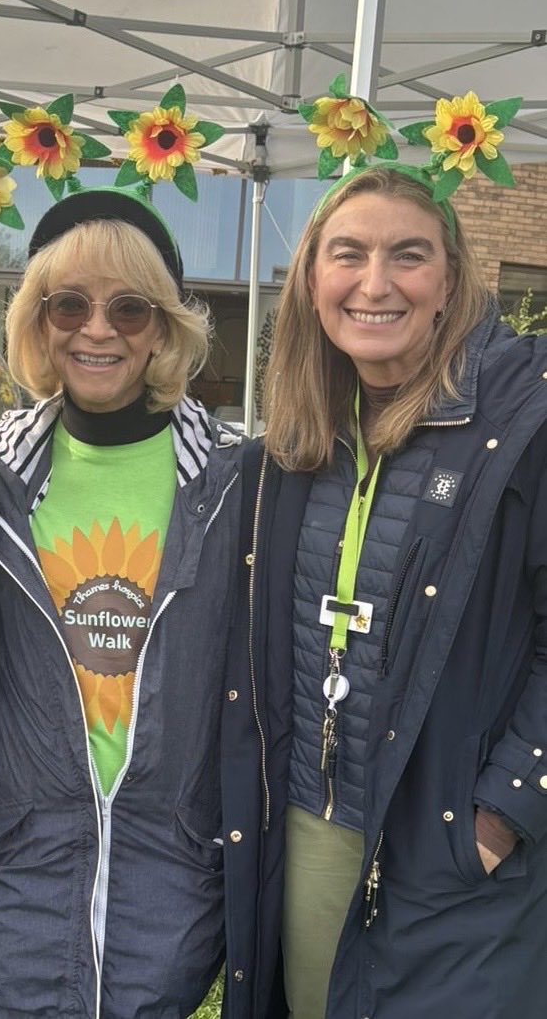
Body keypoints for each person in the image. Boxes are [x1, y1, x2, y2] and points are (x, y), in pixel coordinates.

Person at [222, 157, 547, 1019]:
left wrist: (504, 809)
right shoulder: (300, 438)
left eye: (408, 255)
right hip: (305, 827)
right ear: (312, 280)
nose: (375, 283)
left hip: (445, 841)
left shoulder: (524, 424)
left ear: (450, 280)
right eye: (348, 254)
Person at [0, 187, 244, 1019]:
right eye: (68, 304)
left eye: (130, 309)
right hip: (18, 881)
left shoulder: (236, 483)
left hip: (169, 881)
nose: (97, 329)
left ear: (167, 330)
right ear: (37, 320)